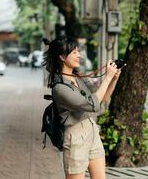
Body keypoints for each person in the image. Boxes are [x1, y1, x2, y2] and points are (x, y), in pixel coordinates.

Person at [42, 37, 121, 179]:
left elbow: (102, 98)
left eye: (78, 51)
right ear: (62, 57)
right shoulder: (60, 88)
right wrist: (107, 78)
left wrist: (113, 79)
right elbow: (93, 104)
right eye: (74, 52)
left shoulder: (78, 78)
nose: (79, 55)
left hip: (92, 131)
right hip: (76, 138)